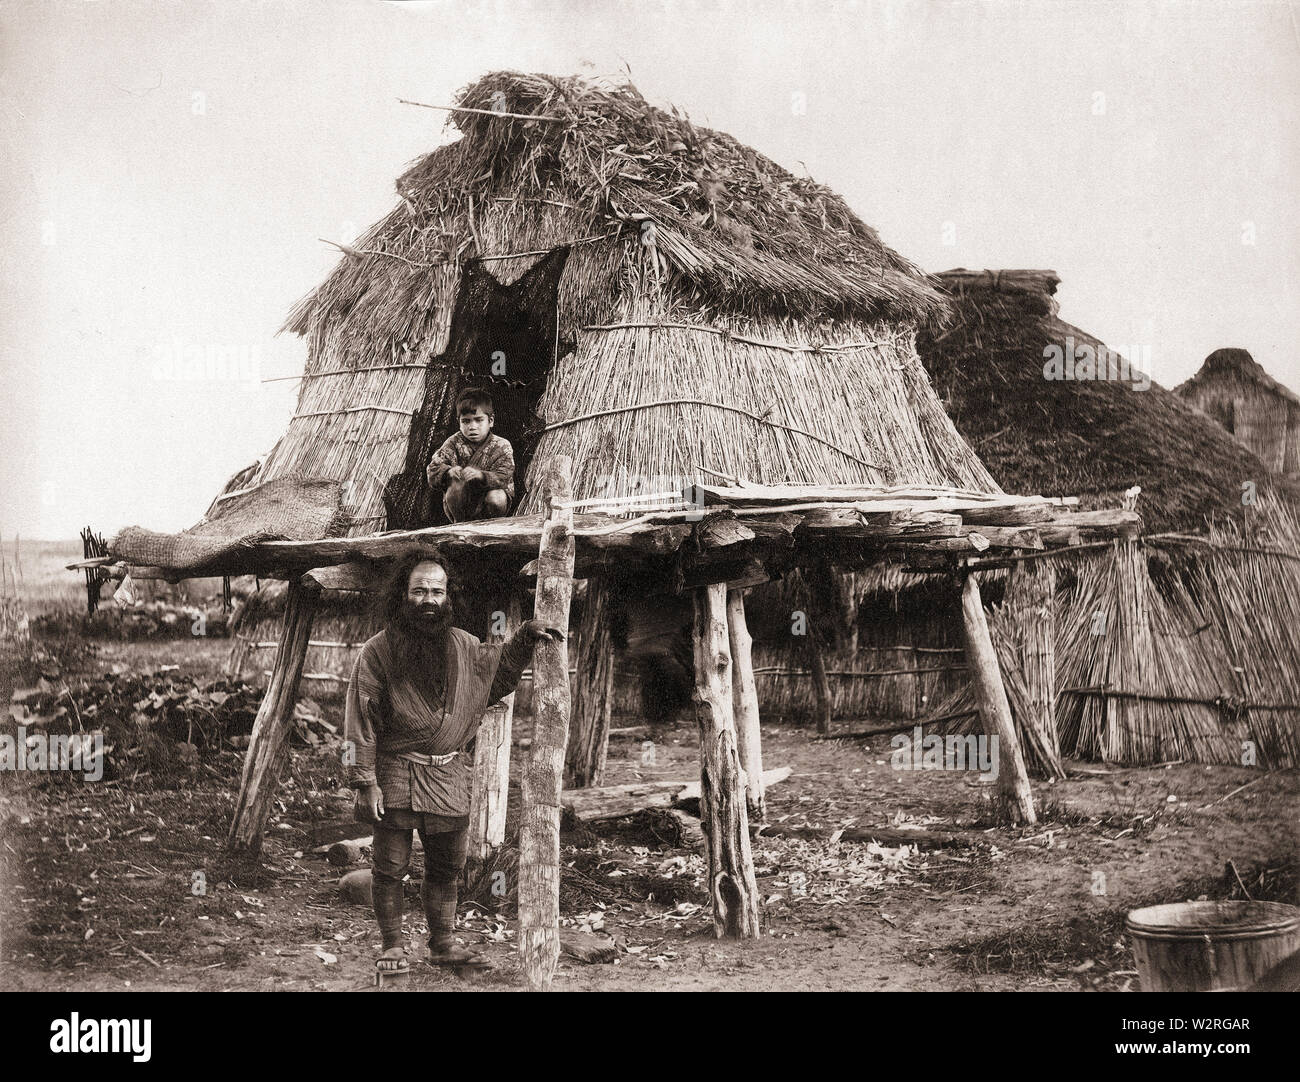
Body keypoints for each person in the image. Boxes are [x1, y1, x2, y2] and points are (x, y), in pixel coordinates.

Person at [343, 548, 562, 976]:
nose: (428, 599)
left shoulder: (465, 645)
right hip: (395, 772)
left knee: (447, 867)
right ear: (402, 595)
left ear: (448, 597)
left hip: (448, 774)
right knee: (390, 868)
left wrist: (523, 639)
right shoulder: (378, 651)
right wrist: (364, 780)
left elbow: (495, 679)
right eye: (419, 590)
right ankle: (391, 945)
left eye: (437, 591)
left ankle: (442, 944)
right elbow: (359, 720)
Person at [425, 388, 515, 523]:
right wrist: (448, 472)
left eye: (479, 420)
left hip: (490, 503)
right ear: (459, 422)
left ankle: (493, 528)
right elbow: (432, 471)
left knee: (497, 497)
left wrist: (481, 476)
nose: (472, 427)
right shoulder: (452, 443)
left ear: (491, 420)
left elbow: (504, 476)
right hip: (460, 505)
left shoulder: (502, 445)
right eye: (466, 421)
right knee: (455, 485)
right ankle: (460, 526)